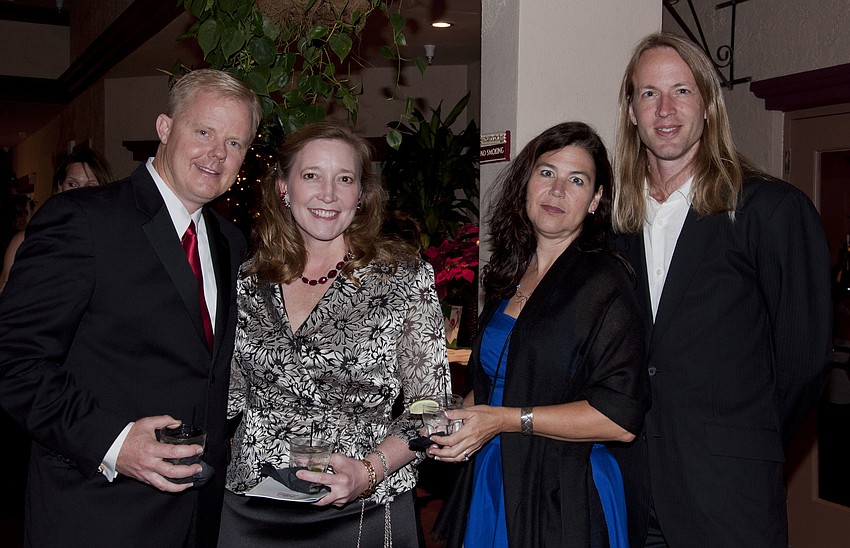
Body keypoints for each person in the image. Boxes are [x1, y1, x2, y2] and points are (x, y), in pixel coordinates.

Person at [0, 68, 261, 547]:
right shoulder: (81, 221)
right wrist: (116, 444)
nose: (217, 154)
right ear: (164, 128)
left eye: (235, 143)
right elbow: (14, 364)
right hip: (97, 513)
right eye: (203, 131)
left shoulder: (230, 241)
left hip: (198, 518)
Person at [610, 32, 832, 548]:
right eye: (648, 94)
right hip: (628, 490)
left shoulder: (771, 211)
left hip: (728, 496)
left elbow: (803, 364)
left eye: (681, 91)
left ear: (708, 104)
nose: (665, 110)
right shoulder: (614, 224)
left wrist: (738, 440)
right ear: (630, 110)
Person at [218, 120, 451, 547]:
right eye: (312, 176)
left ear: (360, 196)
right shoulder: (248, 280)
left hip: (362, 506)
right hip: (252, 509)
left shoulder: (403, 278)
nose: (329, 194)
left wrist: (369, 470)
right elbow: (225, 393)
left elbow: (432, 409)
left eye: (344, 179)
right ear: (283, 189)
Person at [432, 121, 651, 547]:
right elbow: (497, 380)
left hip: (563, 492)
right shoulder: (511, 272)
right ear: (526, 182)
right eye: (547, 172)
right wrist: (458, 418)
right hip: (496, 475)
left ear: (596, 200)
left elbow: (620, 419)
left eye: (577, 180)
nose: (557, 191)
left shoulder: (605, 284)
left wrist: (506, 420)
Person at [1, 148, 115, 292]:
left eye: (90, 186)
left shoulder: (111, 243)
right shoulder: (25, 241)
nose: (78, 193)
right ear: (59, 187)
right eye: (72, 184)